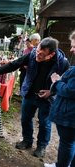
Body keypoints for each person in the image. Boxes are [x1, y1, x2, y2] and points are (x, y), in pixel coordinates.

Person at [0, 37, 69, 158]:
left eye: (41, 54)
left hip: (47, 98)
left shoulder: (62, 63)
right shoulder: (32, 54)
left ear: (51, 55)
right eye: (37, 50)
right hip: (30, 93)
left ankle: (41, 146)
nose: (38, 54)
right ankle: (27, 140)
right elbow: (14, 64)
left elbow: (65, 83)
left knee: (44, 123)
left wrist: (51, 92)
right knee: (25, 118)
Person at [44, 31, 75, 167]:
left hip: (70, 114)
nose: (72, 49)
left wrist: (57, 82)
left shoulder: (63, 62)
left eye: (74, 46)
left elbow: (70, 90)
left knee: (67, 143)